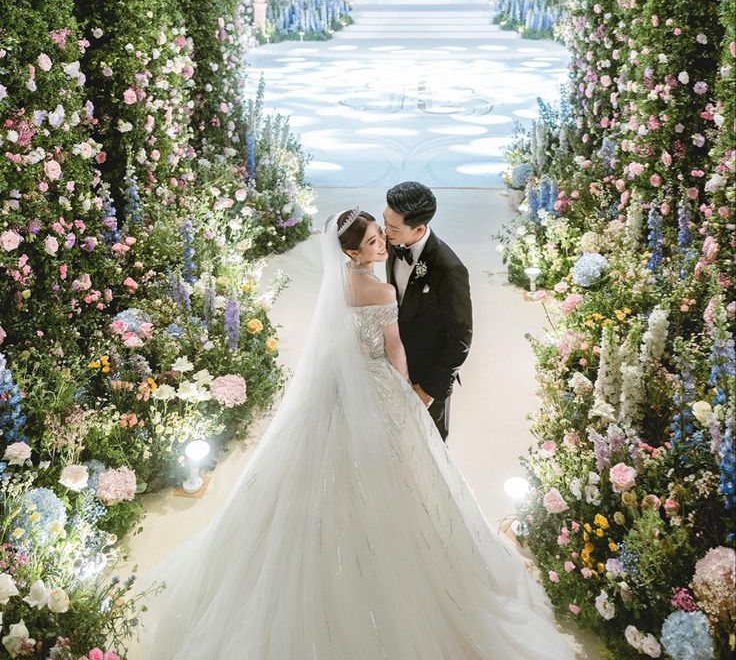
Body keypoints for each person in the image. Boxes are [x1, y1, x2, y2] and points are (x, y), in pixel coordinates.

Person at [136, 210, 574, 660]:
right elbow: (394, 348)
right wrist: (408, 396)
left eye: (382, 237)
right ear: (350, 251)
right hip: (376, 382)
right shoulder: (381, 289)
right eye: (372, 242)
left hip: (330, 384)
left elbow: (334, 341)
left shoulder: (336, 285)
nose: (383, 245)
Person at [384, 181, 471, 440]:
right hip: (395, 365)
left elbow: (460, 339)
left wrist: (428, 390)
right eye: (385, 221)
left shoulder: (449, 269)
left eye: (393, 227)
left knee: (429, 444)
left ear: (419, 228)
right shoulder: (393, 241)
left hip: (427, 374)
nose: (384, 231)